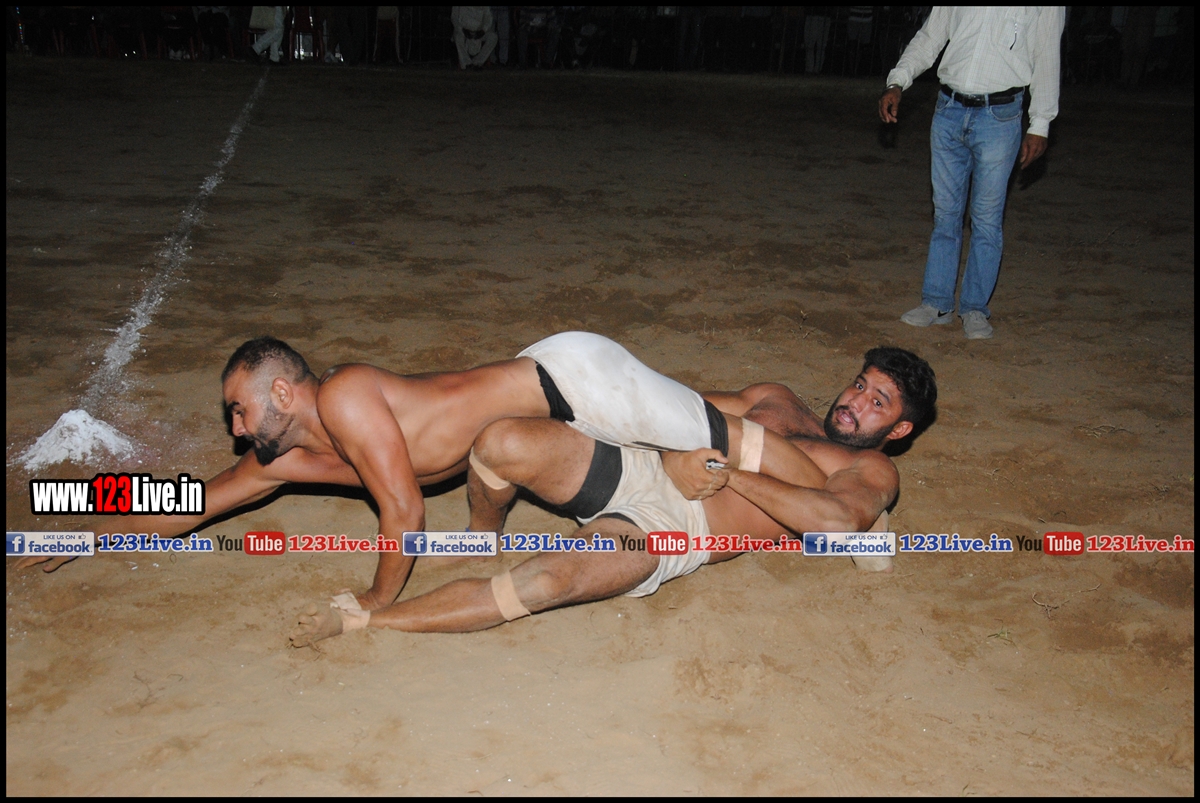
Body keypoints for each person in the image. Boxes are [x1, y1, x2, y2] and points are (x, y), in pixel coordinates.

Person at [16, 332, 760, 610]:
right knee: (714, 415)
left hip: (577, 379)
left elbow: (403, 511)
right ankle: (758, 402)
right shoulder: (285, 456)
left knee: (735, 444)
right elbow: (198, 501)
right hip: (560, 412)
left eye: (240, 410)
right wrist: (93, 529)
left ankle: (806, 430)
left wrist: (376, 598)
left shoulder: (345, 395)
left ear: (283, 393)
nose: (235, 427)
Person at [289, 347, 937, 643]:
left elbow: (833, 523)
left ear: (899, 430)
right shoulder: (777, 400)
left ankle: (368, 620)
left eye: (878, 402)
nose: (855, 401)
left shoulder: (872, 471)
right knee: (499, 441)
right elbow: (673, 402)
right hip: (642, 460)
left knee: (548, 580)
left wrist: (722, 473)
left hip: (676, 522)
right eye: (859, 384)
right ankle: (483, 534)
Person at [880, 8, 1066, 340]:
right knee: (945, 213)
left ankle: (974, 307)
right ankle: (936, 302)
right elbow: (931, 36)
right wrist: (898, 81)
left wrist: (1040, 123)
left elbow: (1047, 55)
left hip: (1000, 116)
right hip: (949, 109)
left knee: (987, 217)